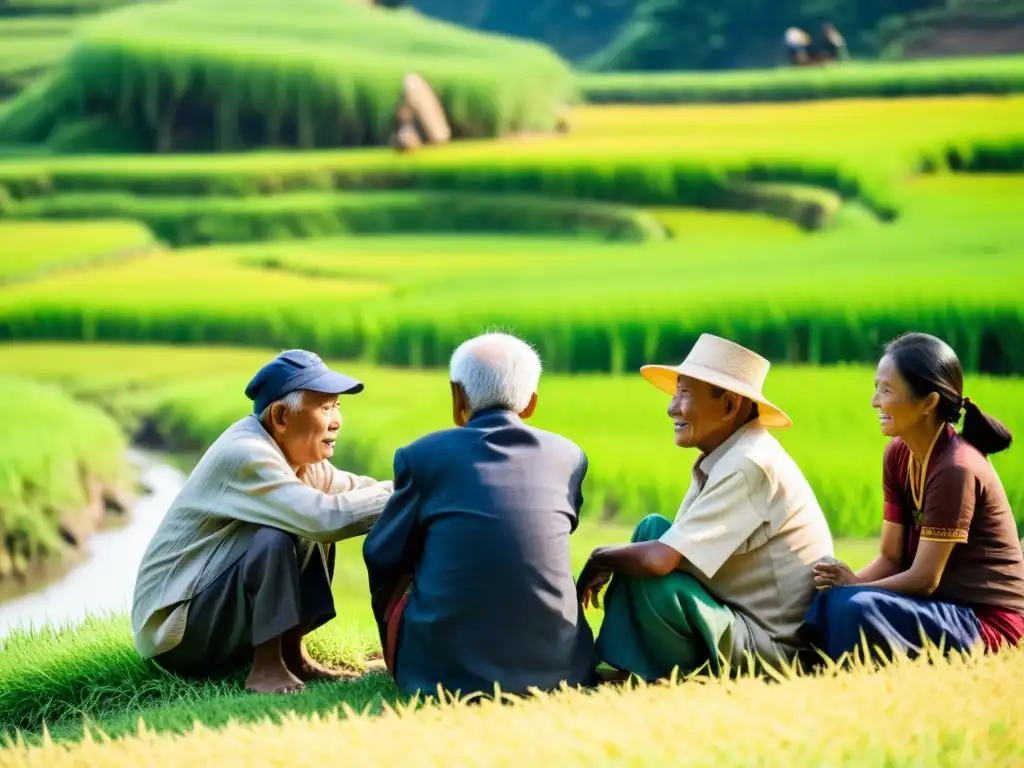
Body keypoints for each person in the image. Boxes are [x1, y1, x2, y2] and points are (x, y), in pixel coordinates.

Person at [131, 349, 394, 694]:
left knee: (300, 518)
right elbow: (326, 518)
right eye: (325, 407)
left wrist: (420, 483)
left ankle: (291, 658)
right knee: (279, 531)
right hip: (177, 634)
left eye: (337, 407)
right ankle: (266, 670)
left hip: (208, 611)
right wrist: (407, 492)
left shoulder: (302, 459)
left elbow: (362, 492)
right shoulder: (246, 454)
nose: (336, 421)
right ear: (282, 416)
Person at [578, 334, 834, 682]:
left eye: (685, 394)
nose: (672, 407)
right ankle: (635, 665)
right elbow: (666, 548)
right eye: (675, 392)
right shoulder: (727, 455)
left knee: (651, 572)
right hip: (738, 618)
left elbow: (660, 561)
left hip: (772, 647)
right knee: (651, 530)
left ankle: (654, 671)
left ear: (729, 405)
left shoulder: (749, 464)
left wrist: (599, 556)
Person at [363, 332, 596, 697]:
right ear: (532, 403)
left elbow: (381, 554)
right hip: (561, 670)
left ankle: (415, 658)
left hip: (443, 678)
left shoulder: (421, 455)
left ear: (458, 396)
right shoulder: (568, 457)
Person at [806, 333, 1024, 661]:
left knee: (857, 607)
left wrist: (854, 586)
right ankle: (822, 664)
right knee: (829, 600)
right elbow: (892, 557)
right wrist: (847, 584)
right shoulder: (898, 454)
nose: (875, 401)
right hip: (939, 608)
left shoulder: (956, 468)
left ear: (929, 403)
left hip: (986, 622)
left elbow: (924, 579)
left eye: (886, 390)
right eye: (876, 388)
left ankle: (833, 665)